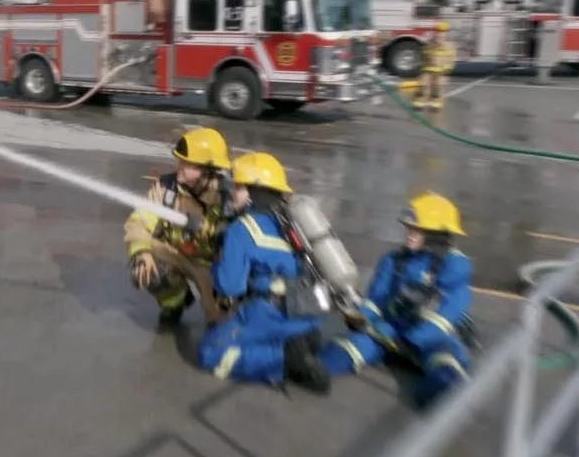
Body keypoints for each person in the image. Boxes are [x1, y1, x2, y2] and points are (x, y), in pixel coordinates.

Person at [320, 192, 473, 408]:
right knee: (349, 347)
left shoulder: (454, 266)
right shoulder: (393, 260)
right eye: (409, 228)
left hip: (433, 339)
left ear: (437, 235)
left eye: (417, 230)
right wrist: (361, 317)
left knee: (445, 367)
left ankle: (441, 398)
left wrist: (414, 340)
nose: (409, 234)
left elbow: (447, 314)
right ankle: (316, 369)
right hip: (391, 332)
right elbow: (376, 299)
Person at [196, 152, 330, 393]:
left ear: (254, 192)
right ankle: (300, 345)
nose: (232, 192)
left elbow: (230, 286)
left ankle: (284, 358)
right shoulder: (292, 223)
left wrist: (216, 261)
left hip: (269, 312)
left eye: (238, 187)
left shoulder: (241, 228)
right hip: (306, 314)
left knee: (211, 352)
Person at [125, 127, 231, 327]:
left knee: (220, 324)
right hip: (175, 255)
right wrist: (142, 253)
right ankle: (175, 303)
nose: (179, 167)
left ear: (207, 171)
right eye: (180, 161)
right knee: (149, 265)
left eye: (187, 164)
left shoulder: (226, 199)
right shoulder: (166, 188)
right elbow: (139, 221)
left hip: (210, 266)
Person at [417, 20, 456, 111]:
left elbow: (451, 58)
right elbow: (423, 55)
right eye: (438, 31)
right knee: (423, 86)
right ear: (434, 32)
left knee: (437, 89)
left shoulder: (449, 45)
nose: (440, 34)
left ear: (446, 33)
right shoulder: (429, 43)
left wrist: (448, 69)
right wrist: (421, 67)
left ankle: (436, 105)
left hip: (441, 72)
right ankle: (419, 103)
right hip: (428, 70)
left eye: (442, 32)